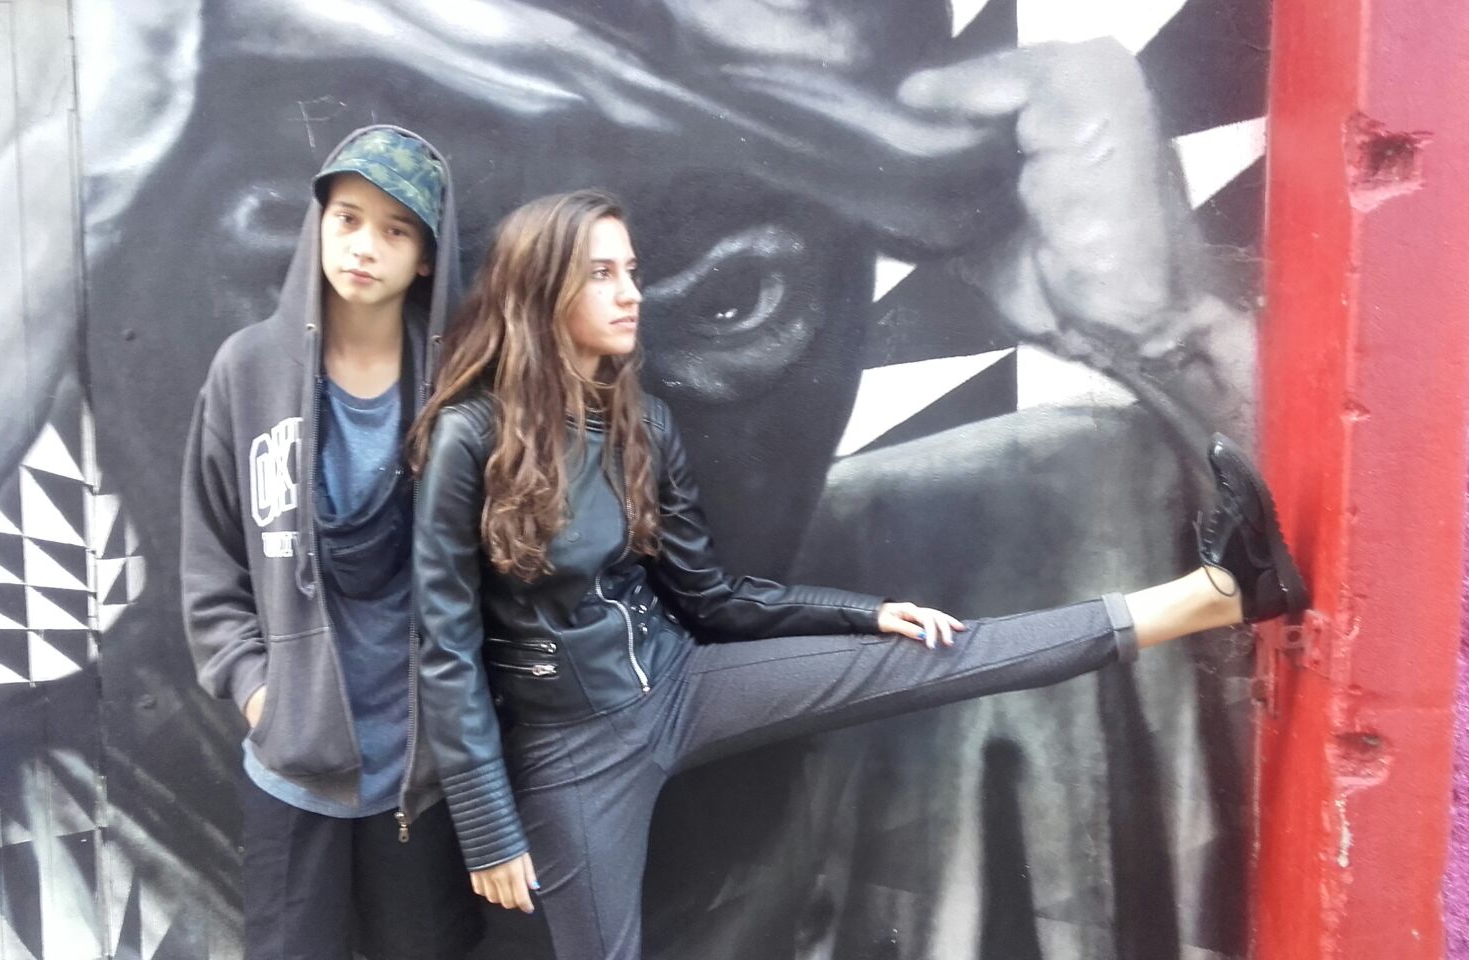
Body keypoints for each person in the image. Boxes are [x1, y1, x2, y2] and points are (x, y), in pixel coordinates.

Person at [409, 189, 1307, 960]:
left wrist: (865, 614)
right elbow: (446, 652)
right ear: (540, 288)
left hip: (681, 685)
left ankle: (1219, 594)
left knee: (946, 651)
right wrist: (487, 827)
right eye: (603, 274)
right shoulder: (470, 438)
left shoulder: (641, 423)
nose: (630, 293)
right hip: (575, 748)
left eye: (631, 271)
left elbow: (713, 598)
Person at [180, 125, 482, 958]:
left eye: (396, 229)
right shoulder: (247, 370)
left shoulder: (461, 389)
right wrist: (260, 695)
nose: (363, 246)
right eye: (347, 218)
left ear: (427, 256)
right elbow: (210, 562)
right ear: (318, 224)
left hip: (422, 772)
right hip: (293, 767)